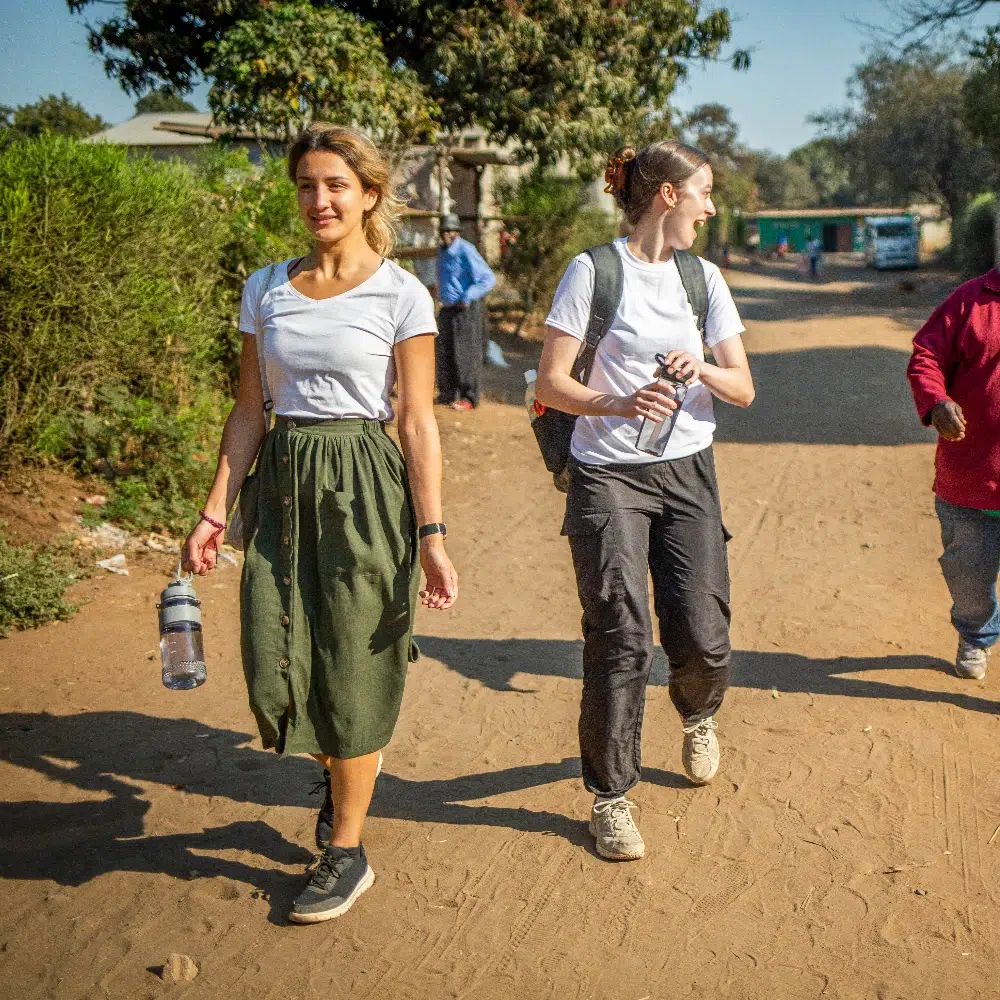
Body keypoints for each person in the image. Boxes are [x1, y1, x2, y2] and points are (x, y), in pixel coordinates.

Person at [182, 123, 458, 923]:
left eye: (336, 184)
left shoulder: (401, 294)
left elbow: (416, 421)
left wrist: (432, 535)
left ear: (368, 194)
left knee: (354, 662)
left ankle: (346, 848)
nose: (319, 199)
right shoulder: (266, 287)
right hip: (282, 482)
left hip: (364, 484)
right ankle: (338, 771)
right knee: (279, 652)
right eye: (306, 185)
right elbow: (248, 411)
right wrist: (214, 509)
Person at [535, 142, 754, 862]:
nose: (710, 207)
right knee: (620, 634)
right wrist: (619, 402)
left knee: (703, 634)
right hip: (608, 475)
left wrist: (703, 369)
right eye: (704, 193)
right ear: (667, 194)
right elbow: (550, 383)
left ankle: (698, 711)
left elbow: (743, 387)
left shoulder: (703, 278)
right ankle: (611, 798)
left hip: (688, 472)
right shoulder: (592, 272)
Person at [907, 267, 1000, 680]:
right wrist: (936, 402)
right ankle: (976, 634)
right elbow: (925, 357)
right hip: (970, 481)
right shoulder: (969, 301)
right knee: (969, 581)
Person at [435, 213, 497, 409]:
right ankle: (447, 392)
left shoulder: (466, 250)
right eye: (444, 231)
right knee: (444, 351)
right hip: (447, 307)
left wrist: (467, 296)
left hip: (465, 309)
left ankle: (468, 397)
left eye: (451, 231)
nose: (447, 234)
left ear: (457, 232)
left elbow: (487, 278)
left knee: (466, 352)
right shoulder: (442, 252)